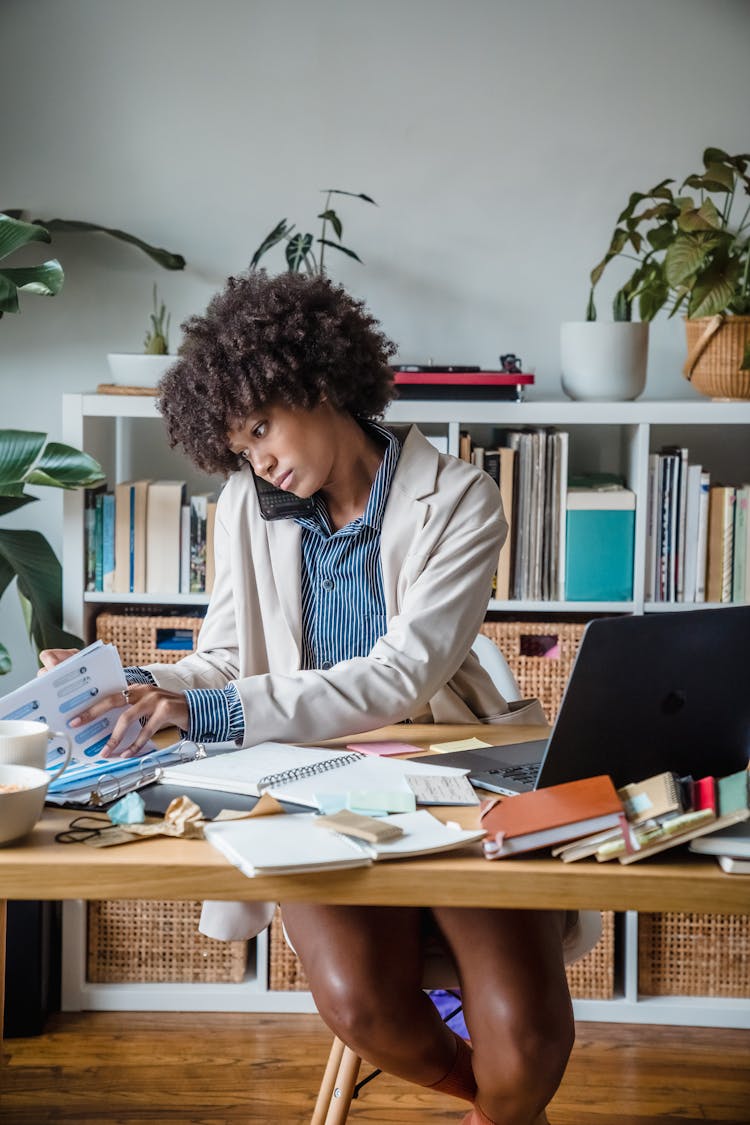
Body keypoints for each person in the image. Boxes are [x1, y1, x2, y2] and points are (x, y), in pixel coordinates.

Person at [41, 271, 579, 1125]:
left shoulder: (463, 499)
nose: (261, 461)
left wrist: (207, 711)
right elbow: (221, 658)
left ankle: (506, 1106)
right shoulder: (245, 509)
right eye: (241, 448)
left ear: (319, 381)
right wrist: (143, 684)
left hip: (457, 784)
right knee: (365, 1008)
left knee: (529, 1045)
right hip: (307, 789)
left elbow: (403, 675)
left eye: (263, 427)